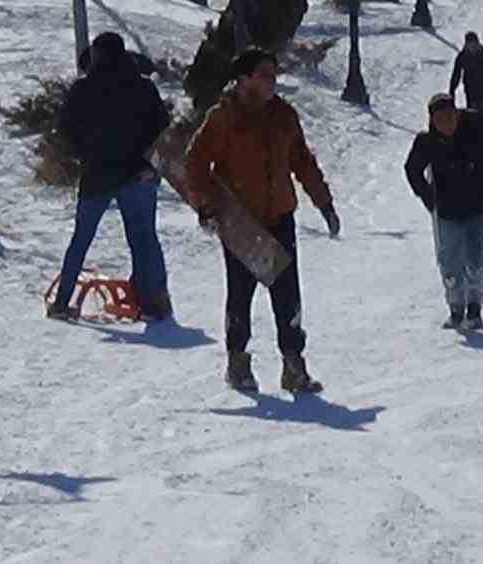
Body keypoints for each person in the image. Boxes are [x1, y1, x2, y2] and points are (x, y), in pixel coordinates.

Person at [184, 47, 340, 394]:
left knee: (288, 296)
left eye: (274, 74)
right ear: (244, 79)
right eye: (264, 75)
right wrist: (205, 206)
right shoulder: (223, 117)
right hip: (241, 222)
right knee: (241, 295)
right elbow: (195, 162)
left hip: (280, 216)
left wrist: (325, 203)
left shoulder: (283, 115)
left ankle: (293, 367)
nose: (272, 81)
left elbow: (302, 161)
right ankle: (238, 362)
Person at [50, 32, 173, 322]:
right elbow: (163, 129)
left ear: (96, 55)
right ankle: (153, 301)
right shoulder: (143, 87)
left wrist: (84, 152)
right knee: (144, 239)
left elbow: (65, 128)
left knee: (81, 238)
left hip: (97, 174)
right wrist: (150, 165)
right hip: (137, 174)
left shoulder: (84, 89)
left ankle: (63, 301)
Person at [404, 93, 483, 330]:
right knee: (449, 261)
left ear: (457, 114)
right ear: (432, 121)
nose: (446, 124)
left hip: (478, 206)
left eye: (450, 117)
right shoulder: (427, 142)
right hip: (447, 210)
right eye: (440, 120)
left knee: (475, 259)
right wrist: (427, 196)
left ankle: (474, 309)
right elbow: (412, 169)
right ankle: (456, 308)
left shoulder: (477, 134)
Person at [449, 31, 483, 112]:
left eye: (474, 44)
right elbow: (456, 74)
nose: (472, 47)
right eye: (470, 44)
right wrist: (452, 90)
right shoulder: (463, 56)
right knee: (473, 114)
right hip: (470, 90)